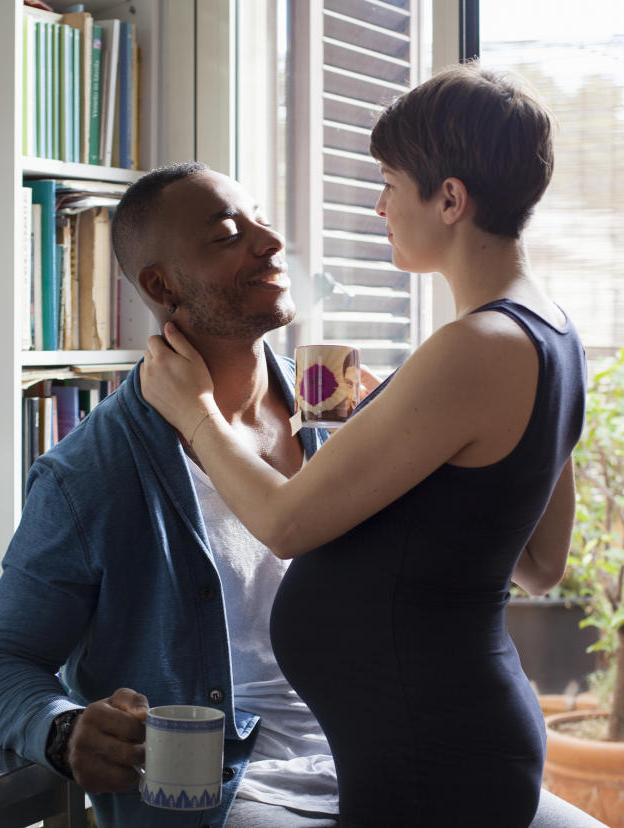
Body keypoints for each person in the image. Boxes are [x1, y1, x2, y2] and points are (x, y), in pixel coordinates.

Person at [141, 65, 586, 827]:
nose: (379, 206)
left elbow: (283, 524)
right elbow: (540, 564)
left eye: (389, 183)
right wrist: (398, 428)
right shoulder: (551, 331)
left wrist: (195, 413)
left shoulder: (475, 345)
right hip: (452, 740)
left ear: (449, 199)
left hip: (435, 753)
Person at [0, 162, 343, 828]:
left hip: (380, 759)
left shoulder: (335, 413)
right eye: (228, 235)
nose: (270, 242)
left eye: (260, 218)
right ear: (160, 285)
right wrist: (64, 728)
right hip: (233, 798)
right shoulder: (88, 475)